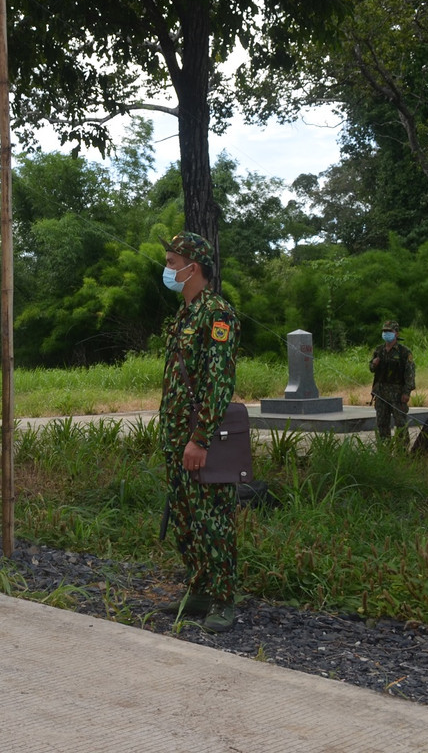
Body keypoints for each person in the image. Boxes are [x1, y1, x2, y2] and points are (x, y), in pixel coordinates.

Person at [157, 231, 241, 633]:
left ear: (193, 268)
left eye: (172, 263)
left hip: (196, 437)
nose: (167, 269)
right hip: (176, 436)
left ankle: (223, 599)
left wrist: (200, 438)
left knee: (212, 520)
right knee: (186, 519)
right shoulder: (185, 314)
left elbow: (218, 382)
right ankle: (200, 589)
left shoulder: (217, 314)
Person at [370, 320, 416, 443]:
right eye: (384, 331)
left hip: (397, 394)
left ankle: (402, 450)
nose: (386, 333)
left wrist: (406, 392)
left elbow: (410, 374)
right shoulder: (379, 350)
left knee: (401, 424)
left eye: (389, 331)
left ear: (396, 333)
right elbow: (372, 368)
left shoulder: (404, 352)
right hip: (381, 393)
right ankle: (384, 449)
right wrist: (374, 364)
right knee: (382, 423)